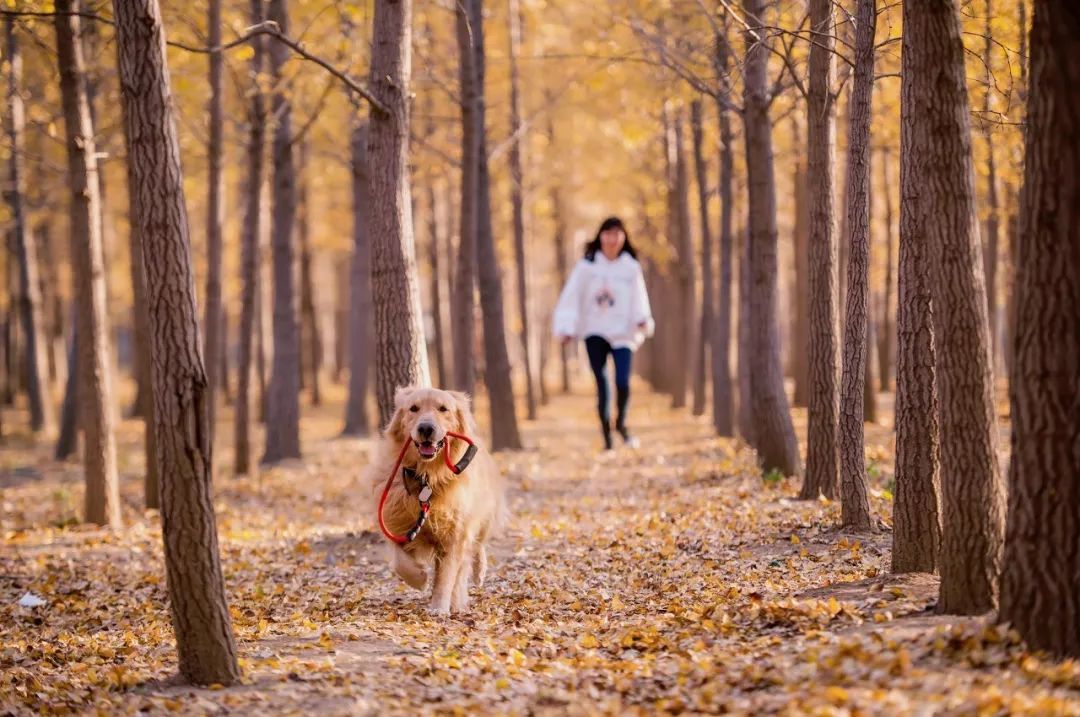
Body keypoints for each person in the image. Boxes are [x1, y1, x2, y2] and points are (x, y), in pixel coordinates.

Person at [553, 216, 655, 451]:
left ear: (623, 237)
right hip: (595, 330)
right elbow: (571, 298)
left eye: (617, 234)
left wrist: (642, 318)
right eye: (608, 234)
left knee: (623, 382)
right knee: (602, 383)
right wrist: (566, 327)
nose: (612, 239)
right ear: (600, 236)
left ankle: (621, 424)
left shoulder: (630, 267)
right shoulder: (586, 267)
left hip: (622, 333)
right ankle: (607, 437)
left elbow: (639, 296)